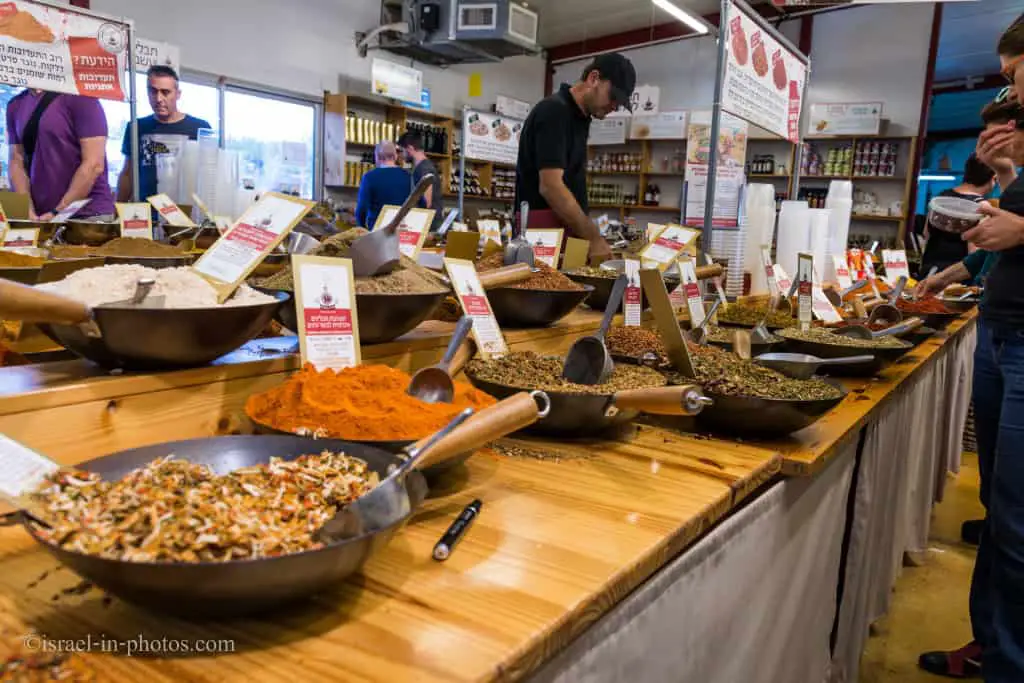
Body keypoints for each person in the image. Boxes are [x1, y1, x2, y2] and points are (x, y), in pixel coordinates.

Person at [919, 16, 1024, 681]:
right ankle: (992, 643)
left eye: (1016, 71)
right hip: (1002, 329)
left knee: (1017, 522)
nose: (1011, 86)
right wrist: (1010, 176)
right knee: (999, 509)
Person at [515, 52, 636, 261]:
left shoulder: (580, 118)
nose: (614, 106)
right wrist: (593, 238)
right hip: (544, 233)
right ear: (593, 78)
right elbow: (551, 186)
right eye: (613, 97)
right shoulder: (554, 111)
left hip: (563, 229)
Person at [6, 89, 114, 220]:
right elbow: (16, 160)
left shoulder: (81, 98)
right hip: (40, 215)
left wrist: (59, 212)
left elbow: (94, 164)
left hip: (87, 213)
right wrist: (26, 210)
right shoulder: (15, 104)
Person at [116, 65, 212, 203]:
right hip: (146, 212)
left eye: (165, 92)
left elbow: (208, 179)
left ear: (178, 94)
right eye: (153, 91)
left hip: (185, 213)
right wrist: (118, 210)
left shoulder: (199, 128)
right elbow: (127, 173)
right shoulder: (136, 127)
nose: (159, 98)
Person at [919, 155, 996, 277]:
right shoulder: (982, 206)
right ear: (993, 178)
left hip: (929, 269)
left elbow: (926, 234)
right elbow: (974, 252)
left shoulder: (941, 198)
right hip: (956, 277)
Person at [355, 141, 411, 230]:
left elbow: (361, 209)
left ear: (377, 157)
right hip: (403, 230)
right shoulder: (409, 177)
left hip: (378, 232)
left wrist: (362, 228)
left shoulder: (369, 177)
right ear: (395, 156)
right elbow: (421, 203)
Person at [397, 130, 443, 231]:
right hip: (427, 223)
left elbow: (427, 202)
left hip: (429, 226)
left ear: (410, 148)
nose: (402, 155)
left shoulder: (424, 169)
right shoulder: (421, 167)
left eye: (402, 151)